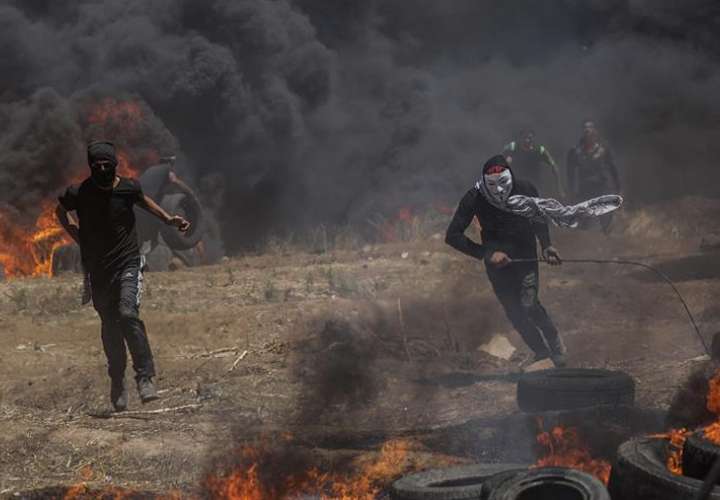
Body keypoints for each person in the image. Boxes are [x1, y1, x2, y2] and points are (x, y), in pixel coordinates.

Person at [56, 141, 190, 411]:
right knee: (110, 326)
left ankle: (145, 378)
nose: (103, 170)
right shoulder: (80, 192)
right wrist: (75, 234)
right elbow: (61, 210)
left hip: (128, 262)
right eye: (97, 166)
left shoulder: (128, 188)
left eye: (107, 165)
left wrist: (168, 219)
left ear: (114, 165)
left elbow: (145, 202)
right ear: (91, 167)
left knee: (128, 314)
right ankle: (117, 381)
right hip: (99, 270)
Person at [445, 155, 567, 368]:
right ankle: (541, 352)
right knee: (514, 312)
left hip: (526, 256)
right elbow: (452, 235)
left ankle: (556, 345)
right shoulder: (473, 198)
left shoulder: (525, 188)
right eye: (493, 185)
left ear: (511, 177)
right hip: (497, 264)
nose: (499, 190)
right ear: (484, 182)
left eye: (503, 183)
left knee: (529, 304)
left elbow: (538, 218)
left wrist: (546, 245)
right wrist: (487, 254)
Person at [566, 120, 621, 233]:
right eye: (585, 129)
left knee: (606, 221)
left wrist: (618, 188)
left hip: (602, 188)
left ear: (595, 132)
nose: (588, 131)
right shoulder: (575, 151)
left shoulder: (603, 149)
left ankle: (608, 244)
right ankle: (585, 248)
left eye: (590, 128)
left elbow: (613, 169)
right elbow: (570, 173)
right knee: (583, 224)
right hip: (585, 189)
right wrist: (571, 191)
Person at [503, 129, 564, 198]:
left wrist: (559, 188)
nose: (527, 140)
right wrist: (506, 160)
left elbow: (553, 165)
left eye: (529, 138)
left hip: (534, 183)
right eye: (524, 138)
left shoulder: (539, 150)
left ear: (533, 138)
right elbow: (501, 157)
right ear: (520, 138)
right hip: (518, 182)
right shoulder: (513, 147)